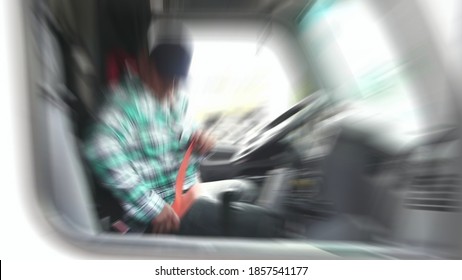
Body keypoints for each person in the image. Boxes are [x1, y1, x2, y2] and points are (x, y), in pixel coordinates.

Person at [84, 18, 257, 234]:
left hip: (191, 192)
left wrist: (202, 146)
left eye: (177, 79)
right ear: (144, 64)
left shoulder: (179, 101)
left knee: (247, 188)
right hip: (167, 211)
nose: (171, 86)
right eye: (165, 77)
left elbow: (187, 149)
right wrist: (153, 208)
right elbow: (99, 151)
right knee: (261, 224)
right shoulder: (126, 103)